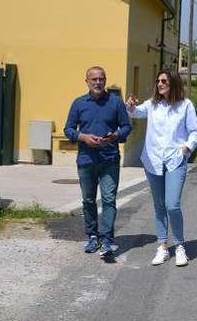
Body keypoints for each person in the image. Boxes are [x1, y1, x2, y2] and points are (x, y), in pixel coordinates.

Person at [125, 69, 197, 267]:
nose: (159, 84)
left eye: (164, 81)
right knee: (159, 205)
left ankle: (180, 246)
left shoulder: (185, 105)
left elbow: (196, 132)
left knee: (172, 204)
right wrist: (130, 106)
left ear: (173, 83)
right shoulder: (152, 105)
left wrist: (186, 148)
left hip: (175, 160)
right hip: (152, 161)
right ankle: (162, 246)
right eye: (158, 81)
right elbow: (135, 112)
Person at [64, 66, 131, 258]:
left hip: (109, 160)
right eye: (94, 79)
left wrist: (115, 135)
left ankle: (108, 240)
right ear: (87, 81)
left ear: (105, 80)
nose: (98, 82)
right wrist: (83, 137)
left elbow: (126, 127)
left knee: (109, 200)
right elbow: (68, 129)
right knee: (88, 200)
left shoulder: (116, 103)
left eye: (101, 79)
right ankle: (93, 236)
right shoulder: (78, 103)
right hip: (86, 160)